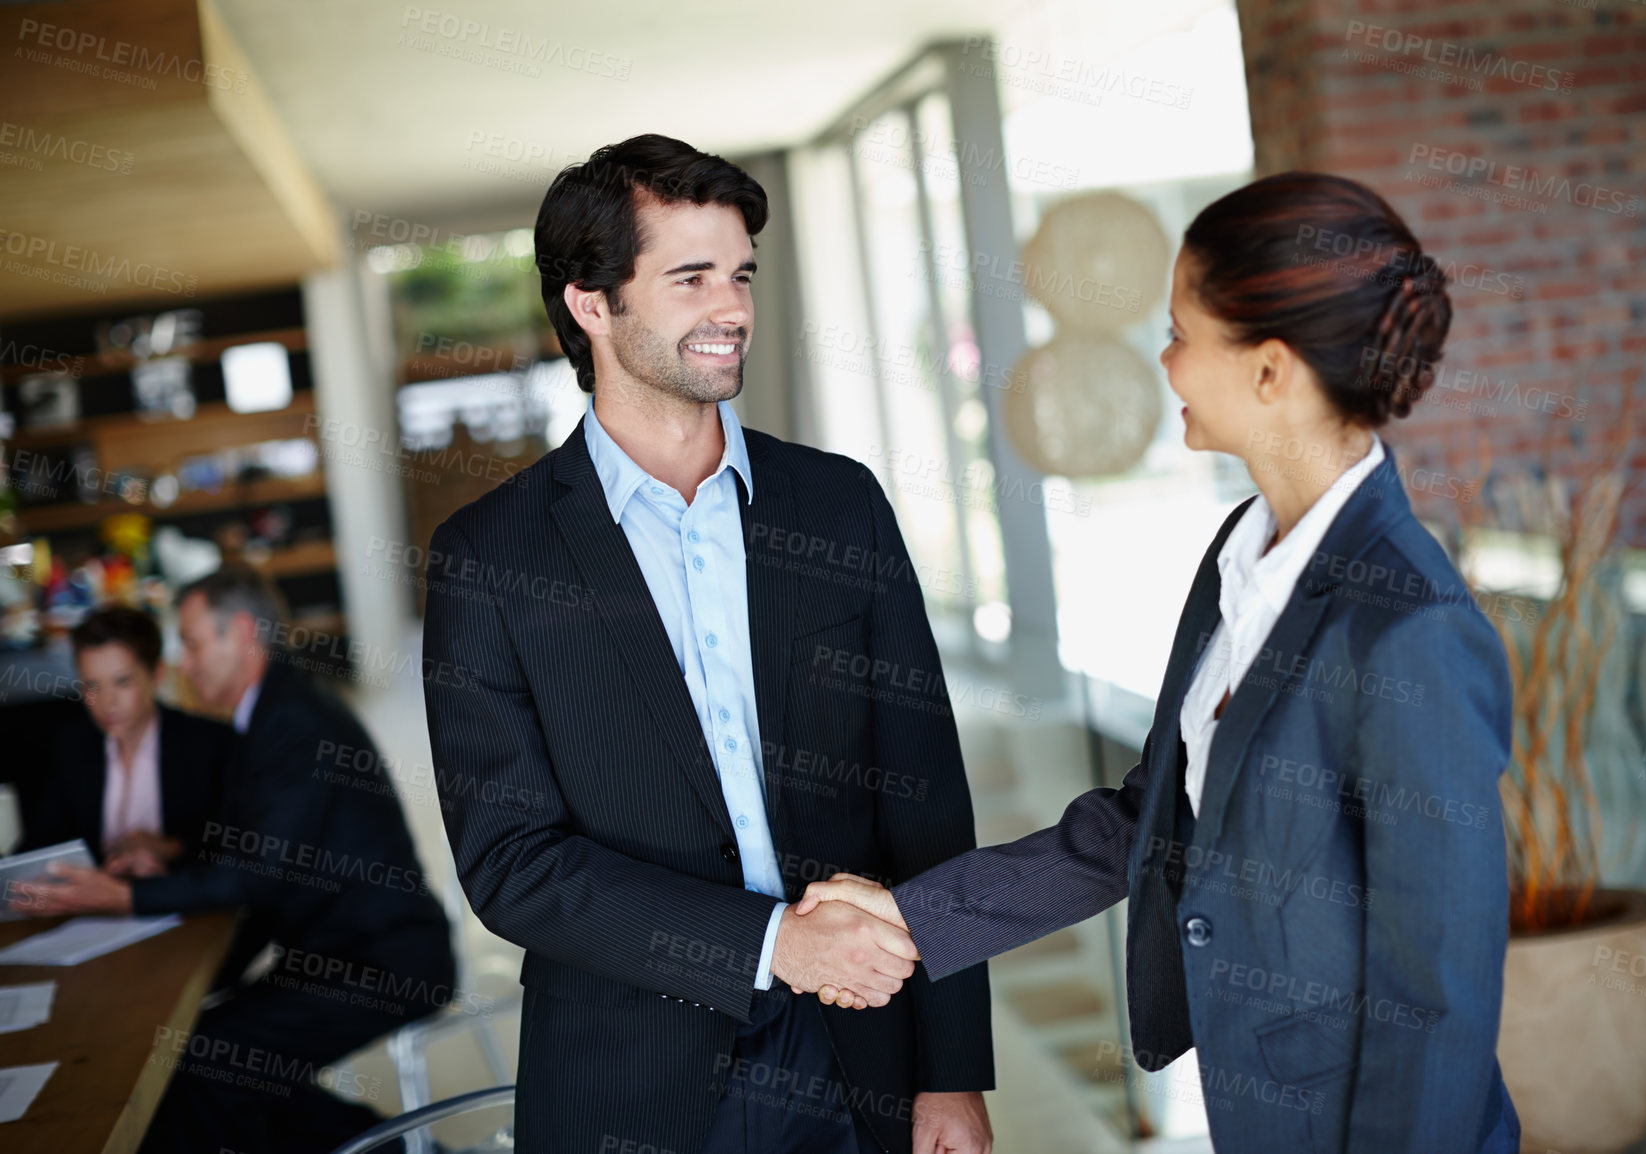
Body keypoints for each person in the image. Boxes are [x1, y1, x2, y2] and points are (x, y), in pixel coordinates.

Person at [795, 173, 1521, 1154]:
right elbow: (1149, 824)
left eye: (1180, 331)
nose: (1163, 360)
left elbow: (1436, 997)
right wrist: (913, 915)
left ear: (1270, 370)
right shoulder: (1238, 552)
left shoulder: (1408, 632)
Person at [421, 134, 993, 1154]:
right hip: (629, 1076)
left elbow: (924, 800)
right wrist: (775, 942)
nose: (731, 307)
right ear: (591, 303)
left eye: (739, 275)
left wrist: (949, 1071)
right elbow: (510, 862)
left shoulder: (838, 504)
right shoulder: (488, 558)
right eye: (690, 278)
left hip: (856, 1046)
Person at [13, 566, 456, 1154]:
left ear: (242, 633)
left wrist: (120, 895)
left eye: (194, 644)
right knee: (204, 1061)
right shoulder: (271, 711)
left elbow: (258, 874)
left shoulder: (291, 723)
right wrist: (170, 854)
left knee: (203, 1065)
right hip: (338, 949)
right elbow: (258, 845)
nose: (186, 666)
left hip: (381, 959)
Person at [18, 604, 232, 878]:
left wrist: (171, 848)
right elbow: (39, 845)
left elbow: (241, 846)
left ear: (157, 675)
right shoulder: (72, 747)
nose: (108, 703)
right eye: (93, 686)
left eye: (122, 682)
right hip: (95, 912)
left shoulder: (209, 744)